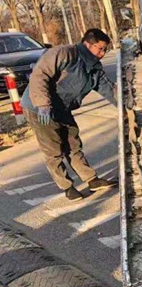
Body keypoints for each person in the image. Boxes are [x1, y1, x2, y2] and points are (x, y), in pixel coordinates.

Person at [20, 28, 118, 200]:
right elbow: (39, 75)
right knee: (53, 149)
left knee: (73, 143)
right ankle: (67, 187)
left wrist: (126, 106)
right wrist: (43, 104)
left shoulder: (94, 68)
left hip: (62, 108)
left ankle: (91, 179)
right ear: (87, 44)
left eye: (105, 50)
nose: (102, 53)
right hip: (39, 108)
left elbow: (109, 89)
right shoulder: (64, 54)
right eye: (100, 49)